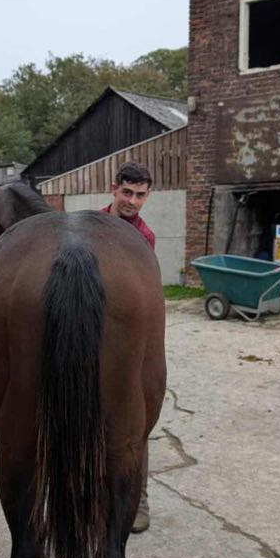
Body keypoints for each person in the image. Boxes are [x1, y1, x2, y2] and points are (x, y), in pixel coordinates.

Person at [101, 162, 155, 533]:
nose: (132, 201)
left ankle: (139, 500)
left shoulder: (144, 238)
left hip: (126, 336)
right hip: (90, 332)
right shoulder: (91, 225)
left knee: (137, 420)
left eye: (139, 195)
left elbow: (143, 298)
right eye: (127, 192)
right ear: (114, 189)